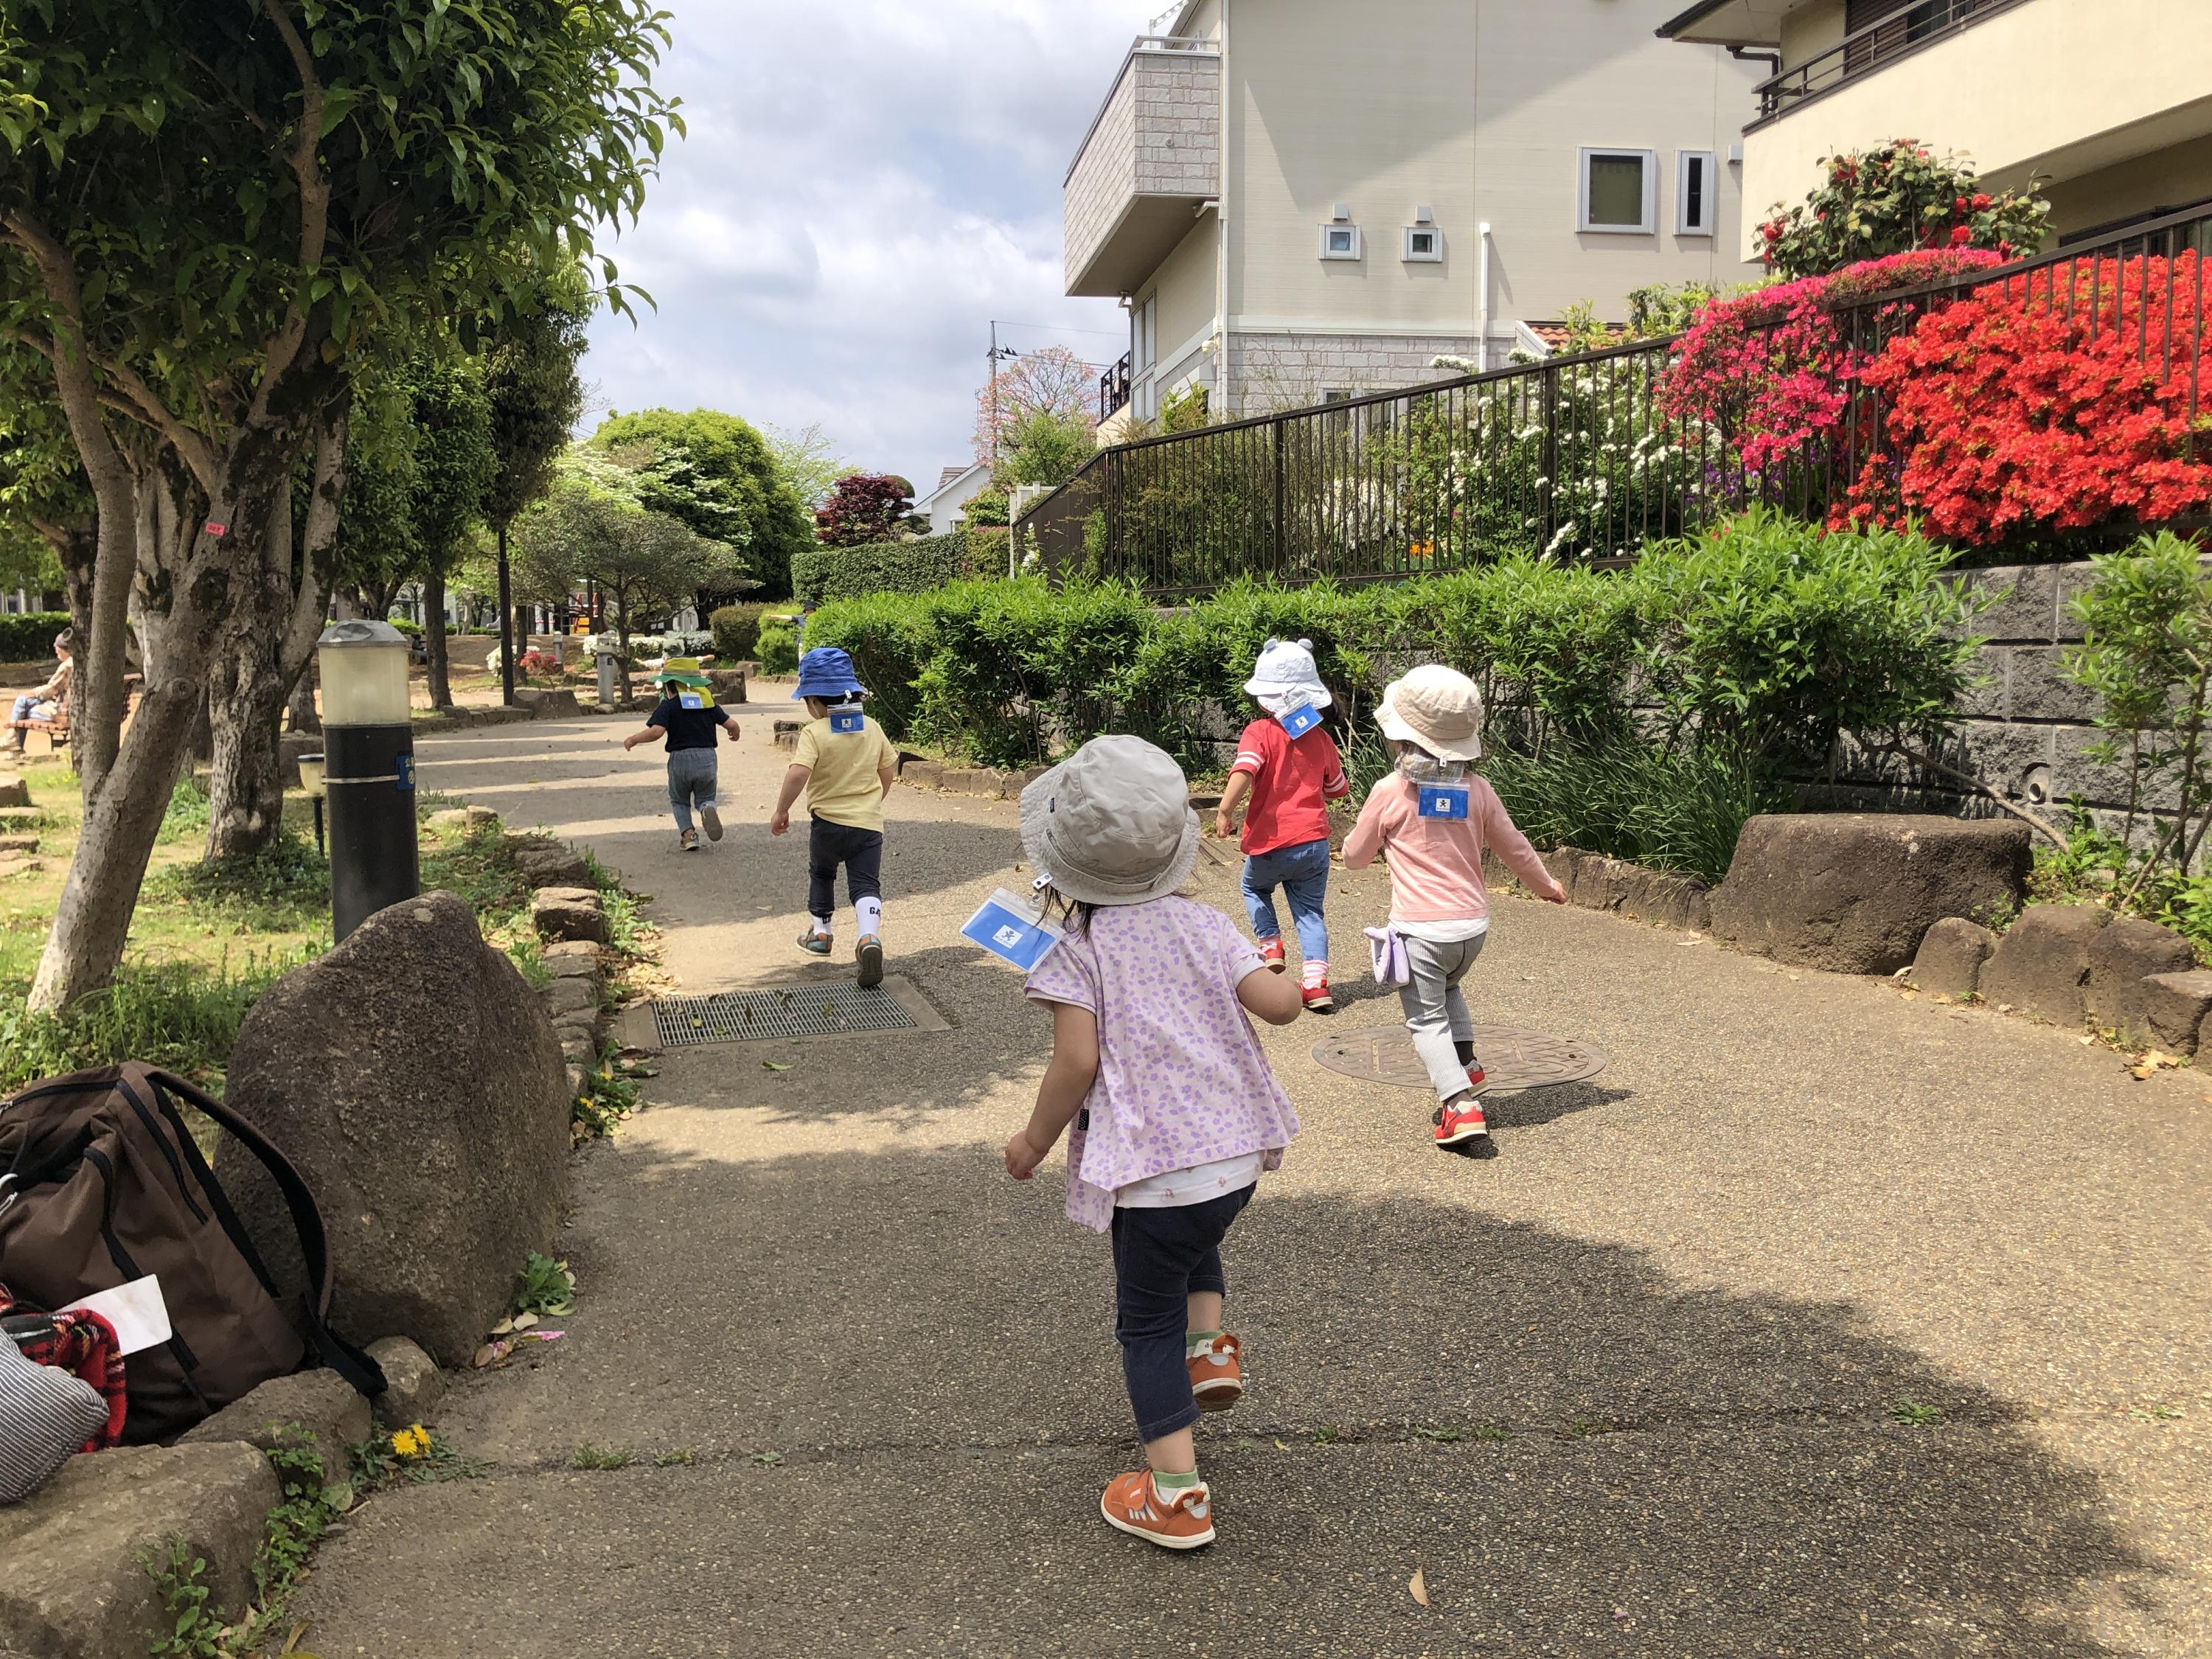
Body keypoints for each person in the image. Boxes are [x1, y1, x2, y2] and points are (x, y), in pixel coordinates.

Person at [1004, 735, 1304, 1551]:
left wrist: (1034, 1141)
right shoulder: (1206, 926)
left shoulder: (1080, 949)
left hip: (1153, 1172)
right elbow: (1278, 1007)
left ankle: (1175, 1496)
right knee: (1193, 1238)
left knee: (1143, 1325)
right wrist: (1297, 968)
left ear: (1062, 863)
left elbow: (1077, 1061)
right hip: (1236, 1159)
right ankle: (1208, 1350)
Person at [1341, 665, 1567, 1154]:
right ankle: (1468, 1065)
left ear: (1400, 736)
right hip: (1471, 932)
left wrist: (1358, 848)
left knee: (1425, 1019)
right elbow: (1514, 847)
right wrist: (1545, 885)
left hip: (1422, 930)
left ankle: (1459, 1104)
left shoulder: (1390, 792)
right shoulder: (1478, 791)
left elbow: (1355, 858)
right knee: (1450, 988)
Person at [1214, 638, 1350, 1013]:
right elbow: (1337, 788)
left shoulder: (1259, 732)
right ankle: (1317, 985)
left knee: (1254, 888)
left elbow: (1246, 768)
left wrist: (1225, 809)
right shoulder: (1321, 738)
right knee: (1310, 912)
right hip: (1314, 844)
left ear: (1264, 698)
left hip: (1271, 841)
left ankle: (1270, 943)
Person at [769, 646, 897, 988]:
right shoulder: (871, 727)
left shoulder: (815, 732)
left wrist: (782, 810)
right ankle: (869, 938)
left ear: (814, 702)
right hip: (867, 825)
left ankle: (821, 934)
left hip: (826, 824)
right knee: (866, 884)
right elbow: (888, 767)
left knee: (822, 873)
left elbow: (798, 772)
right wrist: (875, 797)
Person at [620, 658, 739, 852]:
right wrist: (735, 733)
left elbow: (656, 732)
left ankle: (689, 836)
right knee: (706, 795)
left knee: (679, 800)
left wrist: (633, 739)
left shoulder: (668, 706)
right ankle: (707, 807)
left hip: (680, 760)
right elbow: (731, 724)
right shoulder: (708, 704)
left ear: (670, 687)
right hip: (707, 758)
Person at [0, 629, 72, 754]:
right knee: (23, 702)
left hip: (61, 713)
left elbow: (52, 689)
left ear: (64, 649)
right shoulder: (77, 663)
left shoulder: (68, 666)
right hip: (66, 709)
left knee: (23, 708)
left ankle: (12, 741)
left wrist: (34, 693)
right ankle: (13, 742)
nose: (55, 649)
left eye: (57, 647)